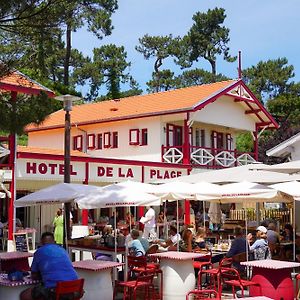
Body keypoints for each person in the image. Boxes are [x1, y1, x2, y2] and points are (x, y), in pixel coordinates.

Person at [20, 232, 78, 300]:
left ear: (41, 242)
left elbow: (34, 275)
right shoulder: (63, 250)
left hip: (55, 289)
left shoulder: (39, 252)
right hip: (75, 287)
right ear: (54, 241)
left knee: (24, 295)